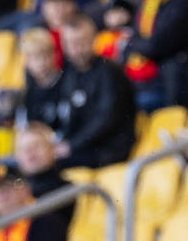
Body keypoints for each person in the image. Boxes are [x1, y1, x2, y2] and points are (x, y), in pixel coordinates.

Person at [52, 15, 136, 168]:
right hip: (86, 147)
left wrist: (71, 145)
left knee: (50, 165)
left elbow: (106, 120)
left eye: (82, 42)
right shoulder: (70, 74)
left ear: (94, 40)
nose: (78, 49)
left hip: (110, 149)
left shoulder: (109, 72)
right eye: (72, 43)